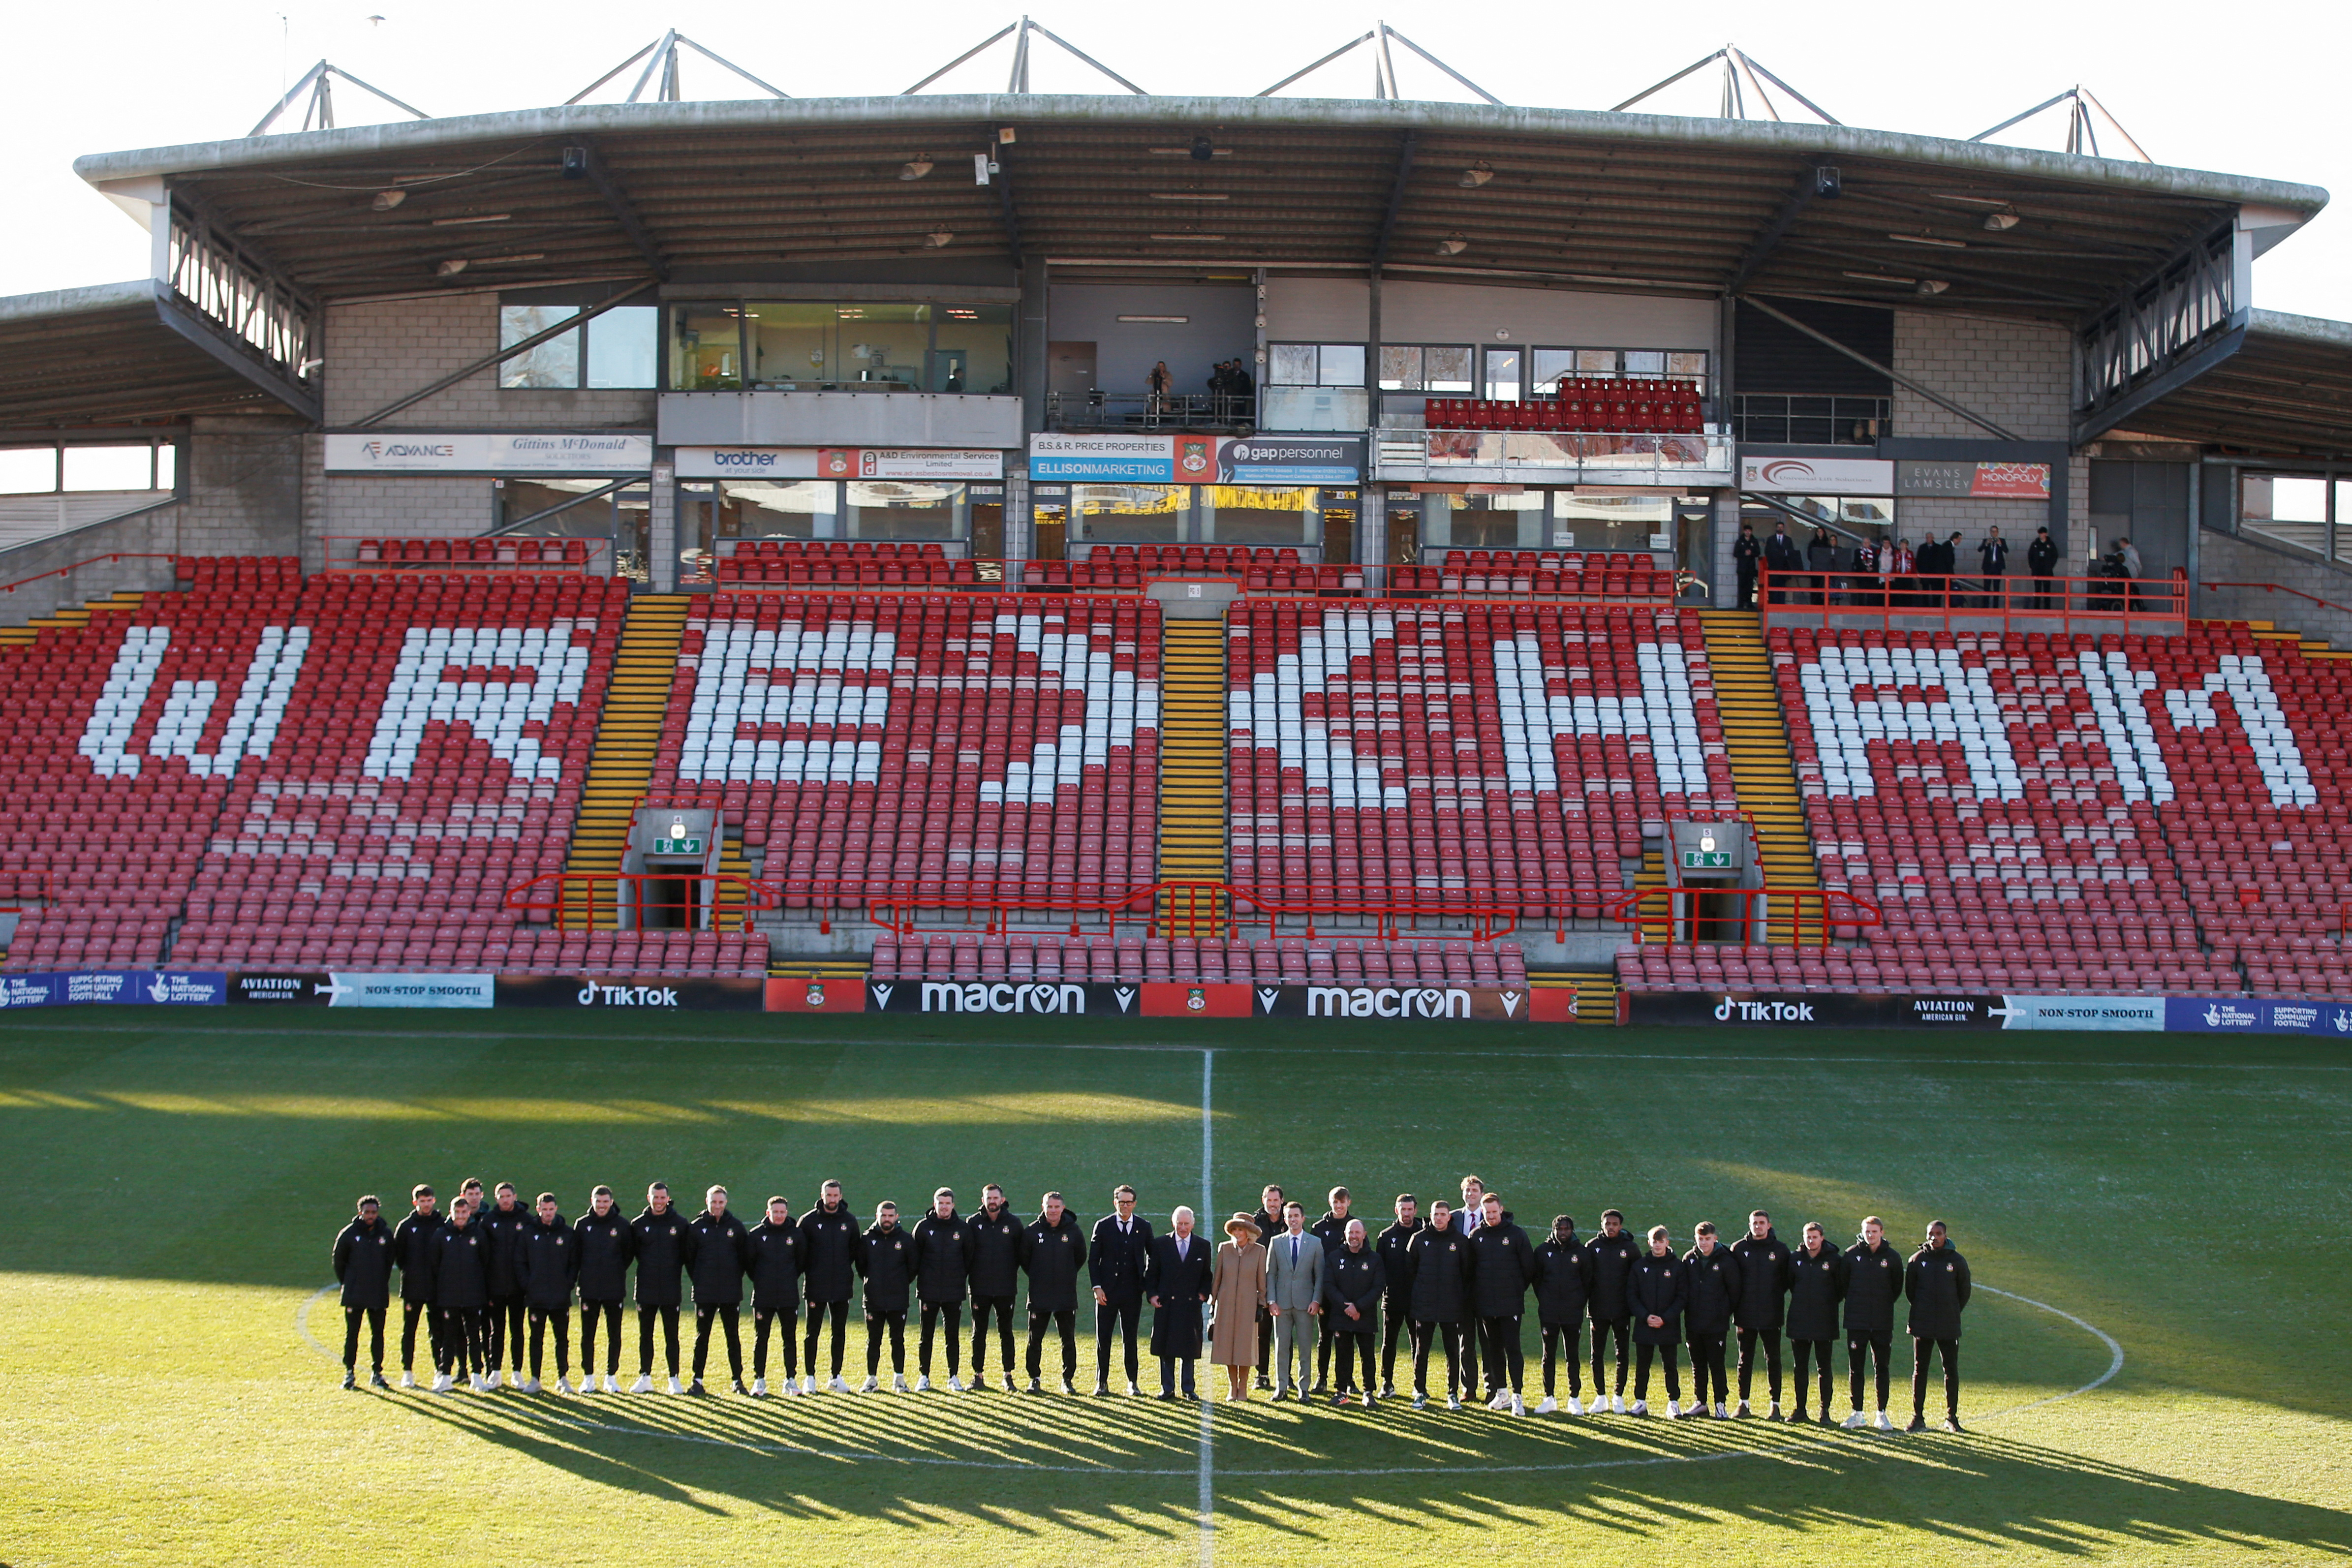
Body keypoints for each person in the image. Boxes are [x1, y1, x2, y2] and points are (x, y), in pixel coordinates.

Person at [1402, 1198, 1473, 1410]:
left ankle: (1452, 1393)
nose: (1439, 1218)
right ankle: (1420, 1392)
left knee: (1452, 1350)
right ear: (1430, 1216)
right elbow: (1410, 1270)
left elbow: (1466, 1273)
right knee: (1422, 1351)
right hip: (1425, 1306)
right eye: (1436, 1214)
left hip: (1451, 1307)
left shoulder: (1460, 1241)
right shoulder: (1418, 1239)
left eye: (1443, 1214)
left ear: (1449, 1217)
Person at [1468, 1192, 1535, 1415]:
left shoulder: (1516, 1235)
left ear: (1501, 1210)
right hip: (1486, 1305)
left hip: (1510, 1304)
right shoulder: (1476, 1235)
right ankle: (1502, 1394)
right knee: (1492, 1349)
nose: (1491, 1216)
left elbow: (1528, 1269)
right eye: (1487, 1213)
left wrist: (1514, 1291)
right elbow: (1470, 1270)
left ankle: (1518, 1396)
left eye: (1494, 1212)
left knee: (1513, 1348)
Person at [1905, 1220, 1972, 1433]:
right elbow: (1911, 1292)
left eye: (1938, 1234)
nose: (1934, 1237)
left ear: (1946, 1236)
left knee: (1951, 1370)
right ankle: (1918, 1418)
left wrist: (1951, 1311)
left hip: (1948, 1325)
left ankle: (1952, 1418)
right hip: (1922, 1324)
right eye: (1931, 1234)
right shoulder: (1917, 1260)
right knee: (1920, 1370)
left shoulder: (1957, 1261)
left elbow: (1964, 1292)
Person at [1088, 1184, 1154, 1396]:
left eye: (1129, 1202)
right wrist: (1097, 1287)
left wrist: (1144, 1285)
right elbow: (1093, 1260)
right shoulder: (1103, 1226)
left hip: (1132, 1293)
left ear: (1134, 1204)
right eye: (1121, 1202)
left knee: (1130, 1339)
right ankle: (1102, 1382)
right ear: (1115, 1203)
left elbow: (1153, 1257)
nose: (1125, 1206)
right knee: (1103, 1339)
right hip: (1106, 1293)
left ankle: (1132, 1382)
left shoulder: (1144, 1227)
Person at [686, 1185, 750, 1396]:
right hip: (705, 1293)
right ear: (707, 1202)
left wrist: (732, 1279)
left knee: (732, 1336)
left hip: (730, 1293)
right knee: (702, 1336)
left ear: (726, 1203)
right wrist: (701, 1280)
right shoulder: (696, 1228)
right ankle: (697, 1380)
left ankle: (737, 1380)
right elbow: (690, 1260)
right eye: (714, 1202)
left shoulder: (737, 1227)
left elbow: (744, 1259)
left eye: (721, 1202)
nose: (717, 1206)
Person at [1843, 1214, 1905, 1431]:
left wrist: (1882, 1305)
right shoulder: (1851, 1255)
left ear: (1882, 1233)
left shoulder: (1893, 1257)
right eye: (1867, 1231)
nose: (1870, 1235)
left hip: (1882, 1322)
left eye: (1874, 1231)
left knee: (1882, 1368)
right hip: (1856, 1322)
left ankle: (1882, 1414)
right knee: (1856, 1368)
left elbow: (1897, 1287)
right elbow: (1843, 1285)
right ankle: (1857, 1413)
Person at [630, 1182, 693, 1395]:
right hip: (646, 1288)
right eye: (655, 1198)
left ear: (668, 1198)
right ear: (649, 1198)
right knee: (645, 1335)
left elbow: (687, 1255)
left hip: (670, 1288)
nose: (659, 1201)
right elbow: (634, 1254)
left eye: (662, 1198)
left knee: (671, 1335)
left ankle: (674, 1378)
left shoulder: (680, 1224)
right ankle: (645, 1376)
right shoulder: (638, 1225)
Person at [799, 1179, 861, 1392]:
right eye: (829, 1195)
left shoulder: (850, 1222)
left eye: (835, 1196)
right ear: (822, 1195)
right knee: (812, 1333)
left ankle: (835, 1377)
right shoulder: (808, 1221)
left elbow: (854, 1252)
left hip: (842, 1286)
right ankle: (810, 1378)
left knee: (839, 1332)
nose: (832, 1199)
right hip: (816, 1286)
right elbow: (800, 1253)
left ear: (840, 1196)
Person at [1146, 1206, 1213, 1400]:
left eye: (1186, 1224)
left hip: (1190, 1305)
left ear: (1193, 1224)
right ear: (1173, 1223)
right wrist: (1152, 1295)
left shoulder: (1202, 1245)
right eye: (1179, 1223)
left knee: (1189, 1348)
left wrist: (1203, 1294)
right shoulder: (1160, 1244)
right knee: (1166, 1348)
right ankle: (1167, 1388)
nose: (1183, 1228)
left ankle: (1188, 1388)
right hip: (1167, 1305)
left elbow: (1206, 1276)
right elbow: (1152, 1274)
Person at [1731, 1209, 1793, 1419]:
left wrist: (1772, 1296)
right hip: (1744, 1314)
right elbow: (1733, 1280)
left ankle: (1775, 1405)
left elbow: (1787, 1281)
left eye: (1761, 1223)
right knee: (1744, 1359)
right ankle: (1743, 1404)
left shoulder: (1781, 1250)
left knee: (1773, 1359)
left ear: (1769, 1225)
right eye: (1754, 1223)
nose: (1757, 1226)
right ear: (1749, 1225)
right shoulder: (1739, 1249)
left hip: (1771, 1314)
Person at [573, 1185, 633, 1395]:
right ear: (592, 1201)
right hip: (588, 1289)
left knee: (614, 1334)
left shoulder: (622, 1226)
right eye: (598, 1202)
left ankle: (611, 1377)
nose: (602, 1206)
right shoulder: (582, 1225)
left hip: (613, 1289)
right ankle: (588, 1377)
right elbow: (576, 1255)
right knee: (588, 1335)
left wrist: (614, 1272)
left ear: (611, 1202)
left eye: (605, 1202)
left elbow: (627, 1255)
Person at [516, 1191, 578, 1394]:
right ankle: (535, 1379)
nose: (548, 1213)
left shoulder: (567, 1233)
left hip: (560, 1298)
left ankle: (563, 1378)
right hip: (537, 1297)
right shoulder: (528, 1233)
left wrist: (568, 1283)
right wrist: (528, 1285)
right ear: (538, 1209)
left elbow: (573, 1263)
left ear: (556, 1209)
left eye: (551, 1209)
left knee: (562, 1338)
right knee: (536, 1338)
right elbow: (520, 1261)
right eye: (545, 1210)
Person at [331, 1195, 395, 1390]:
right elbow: (338, 1261)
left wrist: (380, 1282)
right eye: (367, 1212)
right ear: (360, 1213)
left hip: (377, 1292)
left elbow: (389, 1260)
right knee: (352, 1334)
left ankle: (377, 1373)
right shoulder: (349, 1234)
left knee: (378, 1334)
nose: (370, 1216)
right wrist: (349, 1283)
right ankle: (349, 1373)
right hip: (355, 1293)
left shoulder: (385, 1234)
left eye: (374, 1212)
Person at [1531, 1214, 1593, 1414]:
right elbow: (1537, 1280)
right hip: (1549, 1313)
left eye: (1566, 1229)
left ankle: (1574, 1398)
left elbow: (1587, 1282)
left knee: (1572, 1356)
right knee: (1548, 1356)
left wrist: (1577, 1304)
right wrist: (1546, 1301)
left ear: (1572, 1230)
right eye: (1560, 1229)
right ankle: (1549, 1397)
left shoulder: (1582, 1253)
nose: (1563, 1233)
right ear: (1554, 1230)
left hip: (1572, 1314)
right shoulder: (1542, 1251)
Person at [1023, 1191, 1084, 1393]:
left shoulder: (1074, 1231)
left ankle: (1067, 1380)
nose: (1053, 1211)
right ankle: (1034, 1378)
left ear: (1063, 1208)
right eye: (1049, 1207)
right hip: (1039, 1295)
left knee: (1068, 1339)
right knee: (1035, 1339)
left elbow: (1080, 1258)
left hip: (1065, 1295)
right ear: (1043, 1207)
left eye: (1057, 1207)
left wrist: (1065, 1275)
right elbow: (1025, 1260)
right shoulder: (1032, 1232)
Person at [913, 1187, 972, 1392]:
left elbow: (969, 1259)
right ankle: (924, 1376)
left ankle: (954, 1377)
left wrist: (957, 1279)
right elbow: (915, 1259)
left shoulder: (963, 1229)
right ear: (934, 1204)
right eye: (941, 1203)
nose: (944, 1207)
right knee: (926, 1335)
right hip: (928, 1291)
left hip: (953, 1292)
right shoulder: (923, 1228)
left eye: (948, 1203)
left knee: (952, 1336)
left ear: (953, 1205)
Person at [430, 1195, 491, 1394]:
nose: (461, 1216)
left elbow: (485, 1263)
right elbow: (435, 1265)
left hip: (474, 1296)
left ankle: (477, 1376)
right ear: (451, 1213)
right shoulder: (441, 1235)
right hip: (449, 1297)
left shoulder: (479, 1235)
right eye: (457, 1212)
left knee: (475, 1336)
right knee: (449, 1338)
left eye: (464, 1213)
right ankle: (445, 1377)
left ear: (469, 1213)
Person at [967, 1182, 1024, 1392]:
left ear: (1002, 1200)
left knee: (1006, 1331)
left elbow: (1021, 1254)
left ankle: (1008, 1375)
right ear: (983, 1201)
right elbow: (967, 1254)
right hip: (979, 1288)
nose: (992, 1201)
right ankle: (978, 1375)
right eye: (988, 1198)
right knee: (979, 1331)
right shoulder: (972, 1223)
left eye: (995, 1198)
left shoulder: (1014, 1224)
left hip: (1005, 1288)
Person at [1264, 1200, 1324, 1401]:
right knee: (1281, 1347)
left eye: (1296, 1216)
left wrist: (1316, 1300)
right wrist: (1271, 1300)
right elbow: (1270, 1274)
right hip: (1281, 1304)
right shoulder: (1277, 1241)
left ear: (1303, 1219)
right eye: (1289, 1216)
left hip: (1305, 1304)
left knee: (1305, 1347)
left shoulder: (1315, 1243)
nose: (1293, 1220)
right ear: (1285, 1219)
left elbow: (1320, 1275)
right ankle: (1281, 1387)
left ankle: (1303, 1388)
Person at [1786, 1221, 1845, 1425]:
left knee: (1824, 1367)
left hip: (1825, 1321)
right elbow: (1792, 1285)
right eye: (1808, 1237)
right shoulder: (1795, 1259)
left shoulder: (1835, 1260)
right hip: (1799, 1320)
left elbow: (1840, 1289)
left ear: (1822, 1238)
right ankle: (1801, 1409)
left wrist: (1824, 1304)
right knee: (1800, 1367)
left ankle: (1825, 1412)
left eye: (1815, 1237)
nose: (1811, 1241)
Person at [1683, 1222, 1742, 1419]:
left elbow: (1735, 1292)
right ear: (1695, 1239)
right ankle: (1701, 1402)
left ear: (1715, 1238)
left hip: (1716, 1324)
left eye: (1707, 1239)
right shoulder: (1689, 1259)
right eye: (1700, 1239)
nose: (1704, 1243)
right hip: (1693, 1322)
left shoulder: (1726, 1260)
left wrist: (1722, 1312)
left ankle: (1720, 1404)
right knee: (1698, 1364)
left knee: (1716, 1364)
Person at [478, 1182, 533, 1391]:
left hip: (519, 1287)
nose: (505, 1200)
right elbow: (482, 1255)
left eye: (508, 1196)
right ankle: (495, 1372)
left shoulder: (526, 1220)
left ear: (515, 1196)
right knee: (496, 1330)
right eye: (501, 1197)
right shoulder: (488, 1221)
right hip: (496, 1287)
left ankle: (517, 1372)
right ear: (496, 1198)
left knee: (517, 1330)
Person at [1627, 1224, 1686, 1417]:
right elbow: (1632, 1295)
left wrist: (1666, 1318)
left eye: (1661, 1242)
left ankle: (1674, 1403)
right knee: (1643, 1365)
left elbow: (1682, 1296)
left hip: (1668, 1325)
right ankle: (1640, 1402)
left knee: (1670, 1365)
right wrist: (1645, 1317)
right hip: (1645, 1324)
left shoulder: (1678, 1266)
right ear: (1649, 1242)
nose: (1658, 1245)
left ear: (1667, 1243)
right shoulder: (1640, 1266)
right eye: (1655, 1241)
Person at [1323, 1219, 1383, 1407]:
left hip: (1365, 1316)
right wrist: (1346, 1307)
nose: (1354, 1236)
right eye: (1351, 1232)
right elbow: (1329, 1285)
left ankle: (1368, 1392)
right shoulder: (1334, 1257)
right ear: (1345, 1234)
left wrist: (1358, 1307)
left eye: (1357, 1233)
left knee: (1367, 1355)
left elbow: (1378, 1287)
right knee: (1343, 1354)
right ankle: (1342, 1392)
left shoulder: (1374, 1259)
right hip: (1342, 1315)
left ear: (1364, 1234)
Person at [745, 1196, 802, 1397]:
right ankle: (759, 1381)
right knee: (762, 1339)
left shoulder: (796, 1235)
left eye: (782, 1212)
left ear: (787, 1213)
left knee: (790, 1339)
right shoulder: (756, 1235)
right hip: (763, 1297)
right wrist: (764, 1281)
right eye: (775, 1212)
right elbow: (750, 1265)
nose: (779, 1216)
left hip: (788, 1296)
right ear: (768, 1212)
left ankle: (790, 1380)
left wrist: (786, 1280)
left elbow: (801, 1263)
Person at [858, 1199, 916, 1391]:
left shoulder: (906, 1240)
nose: (887, 1219)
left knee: (897, 1339)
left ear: (897, 1217)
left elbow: (912, 1268)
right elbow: (861, 1267)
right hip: (873, 1299)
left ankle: (899, 1379)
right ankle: (871, 1379)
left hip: (898, 1300)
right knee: (874, 1340)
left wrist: (898, 1284)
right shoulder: (866, 1239)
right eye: (884, 1216)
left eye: (891, 1216)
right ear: (877, 1216)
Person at [1587, 1208, 1641, 1413]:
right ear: (1602, 1225)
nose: (1611, 1228)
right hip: (1598, 1310)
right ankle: (1600, 1396)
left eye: (1615, 1224)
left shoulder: (1631, 1248)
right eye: (1608, 1224)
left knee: (1622, 1355)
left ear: (1621, 1226)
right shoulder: (1593, 1247)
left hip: (1622, 1311)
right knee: (1597, 1354)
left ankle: (1618, 1396)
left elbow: (1638, 1280)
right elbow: (1586, 1277)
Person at [1210, 1213, 1268, 1402]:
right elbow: (1217, 1278)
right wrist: (1213, 1303)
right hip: (1225, 1305)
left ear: (1249, 1232)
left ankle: (1243, 1389)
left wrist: (1261, 1304)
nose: (1237, 1233)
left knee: (1245, 1348)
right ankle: (1232, 1388)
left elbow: (1262, 1281)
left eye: (1240, 1229)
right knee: (1227, 1347)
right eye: (1234, 1229)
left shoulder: (1260, 1251)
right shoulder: (1224, 1249)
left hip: (1249, 1306)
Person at [392, 1183, 443, 1389]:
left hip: (436, 1287)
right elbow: (400, 1257)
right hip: (413, 1287)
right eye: (422, 1201)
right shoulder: (405, 1227)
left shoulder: (441, 1223)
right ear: (415, 1203)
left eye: (429, 1201)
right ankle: (407, 1372)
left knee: (437, 1331)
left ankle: (440, 1371)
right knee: (409, 1330)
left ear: (434, 1200)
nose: (426, 1205)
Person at [1374, 1193, 1423, 1397]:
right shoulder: (1386, 1236)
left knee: (1418, 1343)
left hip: (1418, 1299)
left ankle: (1419, 1384)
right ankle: (1387, 1382)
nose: (1407, 1213)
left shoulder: (1424, 1233)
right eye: (1403, 1209)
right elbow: (1379, 1269)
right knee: (1389, 1342)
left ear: (1416, 1210)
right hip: (1393, 1299)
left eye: (1410, 1209)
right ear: (1397, 1211)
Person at [1308, 1186, 1355, 1391]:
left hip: (1348, 1295)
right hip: (1326, 1294)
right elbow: (1311, 1261)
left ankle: (1348, 1379)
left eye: (1342, 1202)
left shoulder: (1355, 1226)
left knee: (1347, 1338)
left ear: (1348, 1203)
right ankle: (1322, 1378)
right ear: (1330, 1202)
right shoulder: (1319, 1228)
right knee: (1325, 1337)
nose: (1338, 1205)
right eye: (1335, 1202)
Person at [1249, 1183, 1286, 1389]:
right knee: (1262, 1333)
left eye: (1276, 1200)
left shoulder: (1290, 1219)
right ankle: (1262, 1375)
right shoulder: (1256, 1223)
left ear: (1282, 1201)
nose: (1273, 1204)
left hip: (1285, 1284)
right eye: (1269, 1200)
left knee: (1285, 1332)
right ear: (1263, 1201)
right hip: (1261, 1285)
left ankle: (1285, 1375)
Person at [1763, 522, 1802, 606]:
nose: (1780, 528)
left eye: (1781, 527)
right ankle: (1773, 604)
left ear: (1783, 528)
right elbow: (1767, 552)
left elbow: (1791, 553)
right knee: (1773, 587)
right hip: (1774, 568)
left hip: (1784, 568)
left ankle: (1781, 604)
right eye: (1779, 527)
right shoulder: (1771, 539)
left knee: (1782, 588)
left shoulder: (1788, 540)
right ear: (1776, 528)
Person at [2027, 525, 2059, 609]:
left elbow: (2055, 556)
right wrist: (2033, 567)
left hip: (2047, 572)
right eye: (2040, 533)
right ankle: (2037, 608)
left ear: (2046, 534)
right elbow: (2030, 556)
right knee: (2037, 590)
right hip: (2037, 571)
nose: (2041, 535)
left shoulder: (2051, 544)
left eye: (2042, 533)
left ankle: (2047, 609)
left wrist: (2050, 567)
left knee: (2047, 591)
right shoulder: (2035, 544)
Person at [1978, 526, 2009, 610]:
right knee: (1987, 587)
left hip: (1997, 567)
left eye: (1995, 532)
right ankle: (1986, 607)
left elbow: (2006, 551)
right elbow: (1979, 550)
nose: (1994, 533)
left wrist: (2000, 544)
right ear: (1990, 532)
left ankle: (1996, 607)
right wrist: (1986, 544)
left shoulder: (2002, 541)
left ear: (1998, 532)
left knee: (1996, 587)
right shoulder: (1986, 540)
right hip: (1988, 567)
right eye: (1993, 532)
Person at [1733, 522, 1762, 610]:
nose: (1748, 533)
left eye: (1749, 531)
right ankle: (1741, 603)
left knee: (1750, 586)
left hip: (1751, 568)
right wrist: (1744, 553)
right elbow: (1735, 553)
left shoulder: (1754, 541)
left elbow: (1758, 552)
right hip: (1742, 568)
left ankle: (1749, 603)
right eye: (1746, 531)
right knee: (1742, 586)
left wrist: (1751, 553)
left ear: (1751, 532)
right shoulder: (1740, 541)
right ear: (1744, 532)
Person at [1806, 524, 1838, 606]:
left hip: (1825, 569)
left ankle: (1825, 604)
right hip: (1815, 569)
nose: (1820, 533)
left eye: (1821, 531)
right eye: (1818, 532)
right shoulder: (1812, 543)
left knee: (1825, 587)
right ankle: (1814, 604)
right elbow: (1809, 555)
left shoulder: (1827, 543)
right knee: (1815, 587)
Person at [2118, 535, 2146, 611]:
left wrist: (2139, 572)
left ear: (2123, 543)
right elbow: (2116, 555)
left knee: (2131, 590)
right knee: (2130, 590)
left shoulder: (2131, 551)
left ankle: (2135, 606)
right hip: (2128, 575)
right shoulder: (2125, 551)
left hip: (2131, 575)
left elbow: (2137, 563)